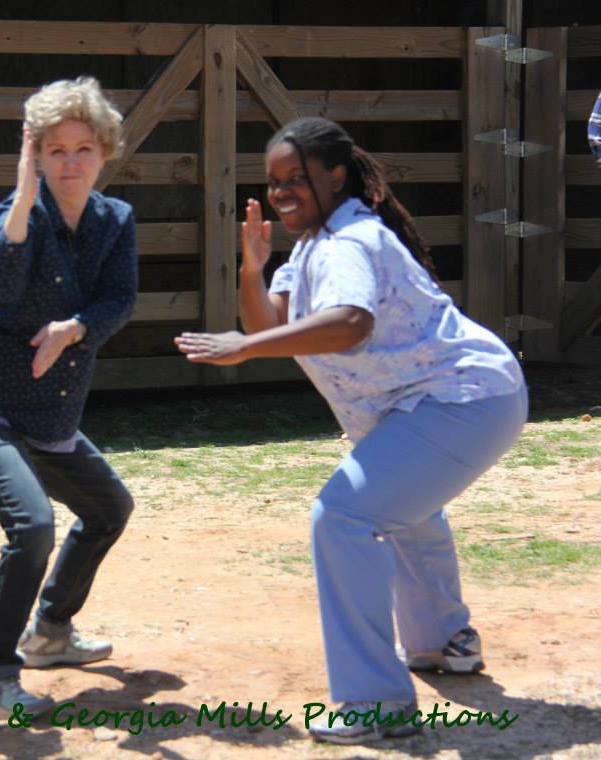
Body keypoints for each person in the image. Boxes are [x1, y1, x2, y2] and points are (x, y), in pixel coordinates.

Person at [175, 117, 527, 745]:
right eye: (274, 181)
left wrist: (246, 348)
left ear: (336, 176)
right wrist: (252, 271)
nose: (282, 192)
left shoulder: (352, 240)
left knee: (342, 516)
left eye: (296, 179)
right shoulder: (314, 244)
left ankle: (375, 703)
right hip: (444, 401)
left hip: (465, 397)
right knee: (404, 511)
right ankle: (444, 642)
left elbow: (350, 323)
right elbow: (273, 322)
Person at [0, 76, 137, 718]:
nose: (71, 162)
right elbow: (2, 286)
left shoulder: (115, 220)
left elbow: (118, 299)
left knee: (109, 508)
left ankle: (50, 630)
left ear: (104, 151)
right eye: (55, 151)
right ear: (36, 156)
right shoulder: (17, 213)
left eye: (83, 148)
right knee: (33, 525)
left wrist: (73, 329)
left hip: (51, 411)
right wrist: (24, 195)